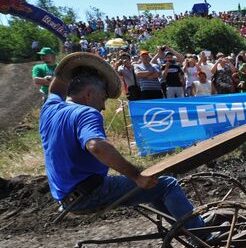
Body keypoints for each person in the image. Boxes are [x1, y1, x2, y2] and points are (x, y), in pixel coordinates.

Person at [39, 52, 203, 230]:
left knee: (153, 185)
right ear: (88, 94)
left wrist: (72, 66)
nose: (102, 106)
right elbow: (96, 146)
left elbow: (55, 88)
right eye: (102, 98)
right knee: (167, 185)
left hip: (67, 197)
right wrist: (136, 176)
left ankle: (185, 229)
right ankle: (200, 233)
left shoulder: (50, 108)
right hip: (90, 193)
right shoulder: (86, 113)